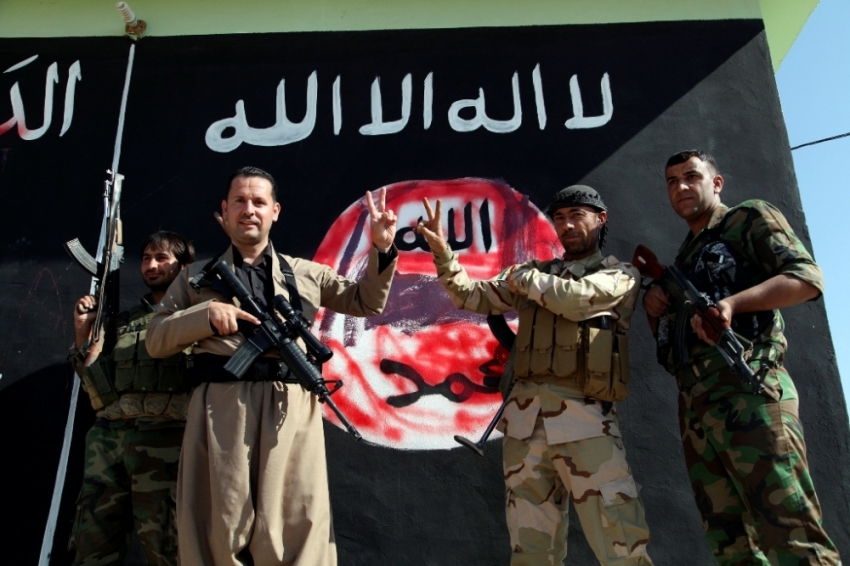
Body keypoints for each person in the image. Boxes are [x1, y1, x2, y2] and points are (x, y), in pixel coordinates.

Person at [145, 166, 398, 566]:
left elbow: (367, 302)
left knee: (297, 521)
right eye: (240, 202)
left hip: (291, 408)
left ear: (275, 211)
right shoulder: (194, 279)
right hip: (222, 407)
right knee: (222, 523)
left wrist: (381, 249)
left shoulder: (305, 274)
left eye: (259, 202)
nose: (250, 210)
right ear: (224, 212)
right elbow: (156, 340)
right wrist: (205, 315)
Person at [415, 186, 653, 566]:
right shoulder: (536, 273)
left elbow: (577, 299)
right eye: (559, 218)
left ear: (600, 219)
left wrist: (524, 280)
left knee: (619, 539)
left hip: (586, 422)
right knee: (531, 551)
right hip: (525, 427)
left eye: (577, 215)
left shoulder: (619, 273)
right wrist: (443, 252)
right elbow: (471, 296)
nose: (568, 225)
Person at [642, 150, 841, 565]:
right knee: (731, 545)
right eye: (672, 180)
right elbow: (672, 349)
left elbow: (805, 279)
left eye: (691, 176)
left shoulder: (746, 219)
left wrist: (731, 305)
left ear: (716, 183)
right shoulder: (684, 259)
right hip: (698, 409)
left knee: (789, 529)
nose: (681, 186)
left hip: (750, 391)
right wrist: (656, 307)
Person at [68, 230, 196, 566]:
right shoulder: (120, 323)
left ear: (183, 267)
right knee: (91, 545)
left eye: (162, 258)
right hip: (107, 442)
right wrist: (85, 332)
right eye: (146, 258)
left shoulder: (195, 318)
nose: (152, 265)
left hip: (165, 443)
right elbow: (92, 383)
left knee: (169, 546)